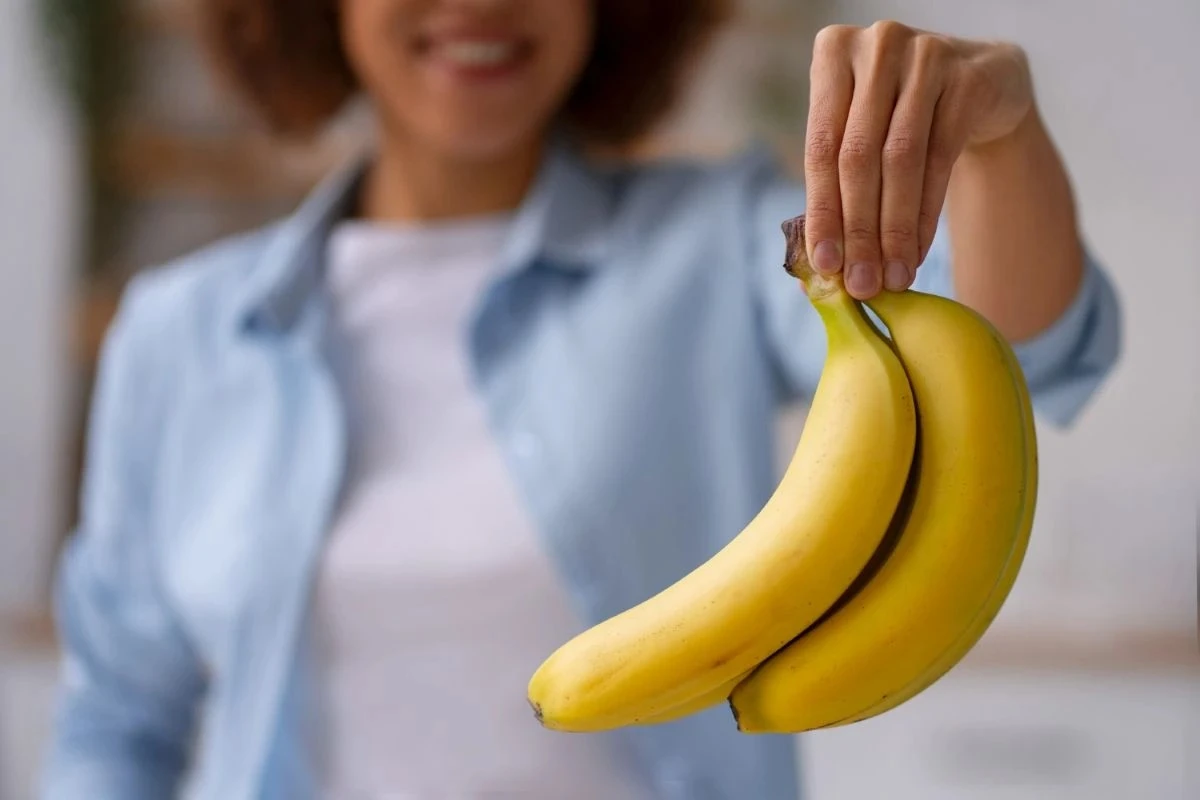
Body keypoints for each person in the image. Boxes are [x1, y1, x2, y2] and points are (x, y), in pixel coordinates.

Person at [41, 1, 1121, 798]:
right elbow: (119, 720)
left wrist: (996, 139)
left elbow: (1022, 349)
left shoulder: (727, 244)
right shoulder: (179, 332)